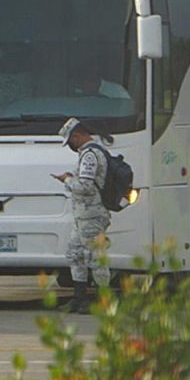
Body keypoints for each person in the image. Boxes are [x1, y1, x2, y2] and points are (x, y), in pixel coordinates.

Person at [52, 118, 112, 313]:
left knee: (96, 258)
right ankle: (79, 298)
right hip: (83, 217)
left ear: (76, 136)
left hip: (92, 216)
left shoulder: (90, 156)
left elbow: (85, 187)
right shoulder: (88, 153)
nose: (70, 145)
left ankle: (104, 301)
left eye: (70, 141)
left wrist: (67, 180)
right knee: (75, 254)